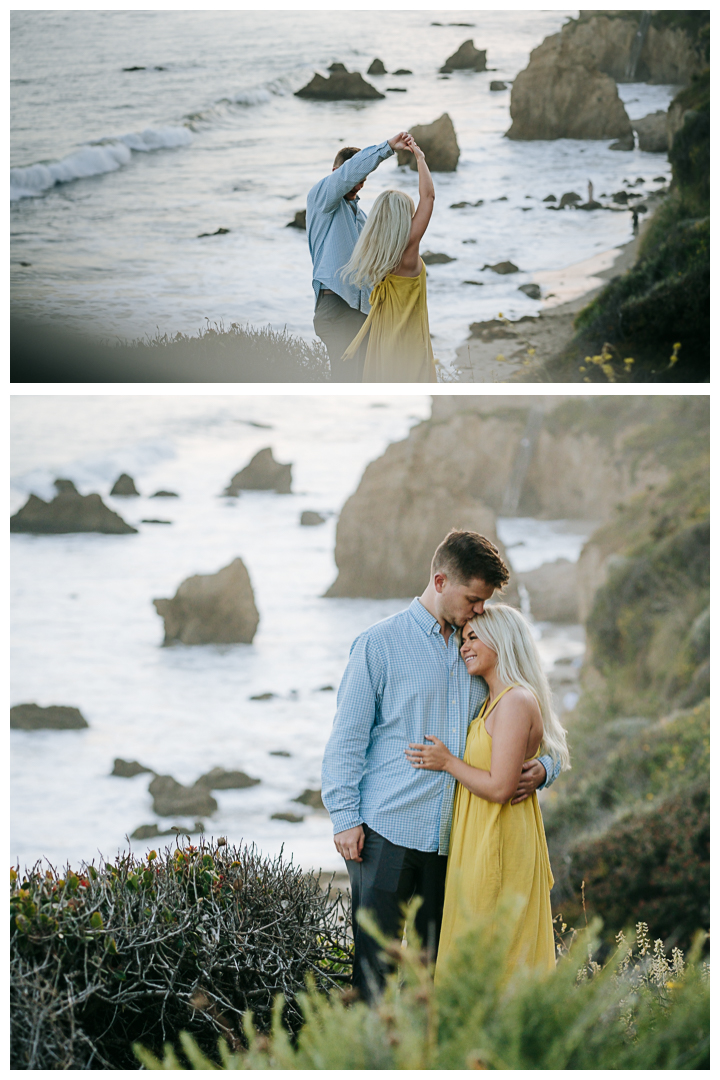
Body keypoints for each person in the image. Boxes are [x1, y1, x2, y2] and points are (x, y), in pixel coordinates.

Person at [321, 530, 562, 1001]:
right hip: (385, 834)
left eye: (484, 602)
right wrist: (344, 817)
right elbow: (347, 739)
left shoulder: (479, 649)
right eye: (473, 598)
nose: (478, 610)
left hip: (455, 846)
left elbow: (533, 722)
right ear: (440, 580)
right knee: (377, 978)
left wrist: (545, 768)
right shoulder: (379, 644)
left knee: (439, 979)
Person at [405, 604, 570, 980]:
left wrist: (447, 761)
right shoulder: (489, 702)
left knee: (494, 952)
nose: (464, 647)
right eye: (463, 639)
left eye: (474, 637)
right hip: (478, 836)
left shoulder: (514, 700)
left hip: (498, 837)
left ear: (502, 641)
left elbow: (499, 787)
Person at [307, 133, 411, 382]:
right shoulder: (322, 199)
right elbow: (348, 174)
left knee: (365, 381)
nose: (359, 184)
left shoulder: (362, 218)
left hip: (363, 313)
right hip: (336, 308)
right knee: (345, 381)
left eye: (362, 180)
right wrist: (388, 148)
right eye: (355, 178)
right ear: (336, 172)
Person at [342, 134, 437, 382]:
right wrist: (420, 158)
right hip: (407, 342)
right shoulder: (407, 251)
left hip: (381, 339)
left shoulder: (378, 256)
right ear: (403, 219)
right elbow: (428, 197)